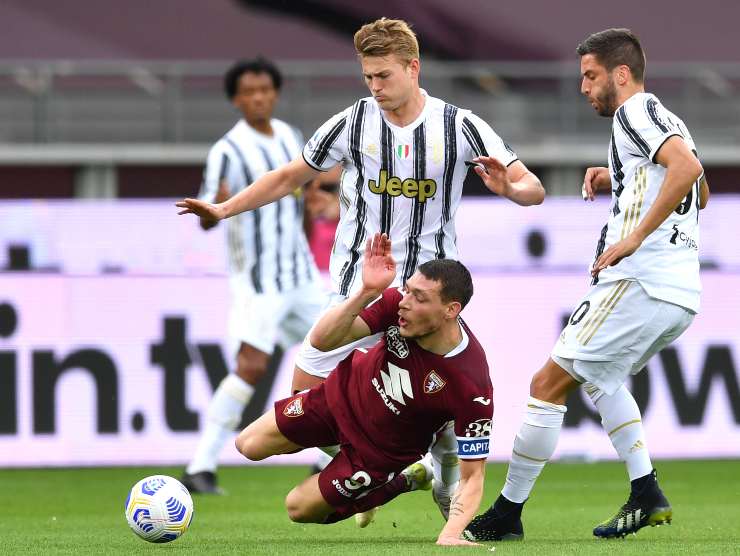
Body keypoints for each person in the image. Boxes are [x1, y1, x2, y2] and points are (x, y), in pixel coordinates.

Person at [177, 17, 544, 515]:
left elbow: (533, 187)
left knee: (438, 405)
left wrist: (511, 190)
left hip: (424, 297)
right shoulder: (354, 121)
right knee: (303, 391)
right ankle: (399, 472)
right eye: (368, 76)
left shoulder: (459, 125)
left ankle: (446, 489)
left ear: (413, 68)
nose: (374, 87)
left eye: (383, 76)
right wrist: (223, 210)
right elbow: (289, 176)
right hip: (359, 288)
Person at [464, 28, 709, 542]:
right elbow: (700, 190)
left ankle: (507, 513)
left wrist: (634, 237)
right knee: (601, 380)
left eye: (591, 76)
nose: (584, 87)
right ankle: (646, 492)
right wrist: (622, 178)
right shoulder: (669, 117)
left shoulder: (633, 113)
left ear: (621, 74)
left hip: (639, 280)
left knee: (545, 385)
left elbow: (685, 170)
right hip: (680, 291)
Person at [235, 233, 492, 546]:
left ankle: (407, 478)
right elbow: (322, 341)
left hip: (377, 452)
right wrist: (366, 292)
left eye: (420, 298)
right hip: (336, 397)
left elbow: (472, 475)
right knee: (247, 445)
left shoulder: (471, 382)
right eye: (408, 290)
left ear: (451, 310)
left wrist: (451, 534)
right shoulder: (397, 304)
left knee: (298, 508)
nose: (406, 303)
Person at [181, 58, 327, 494]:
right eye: (249, 91)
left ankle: (325, 460)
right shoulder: (227, 149)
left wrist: (310, 222)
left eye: (265, 89)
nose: (258, 97)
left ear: (275, 93)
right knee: (252, 366)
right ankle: (200, 467)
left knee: (343, 351)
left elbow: (300, 196)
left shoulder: (289, 135)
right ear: (236, 99)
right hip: (258, 280)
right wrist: (215, 209)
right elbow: (208, 213)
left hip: (300, 276)